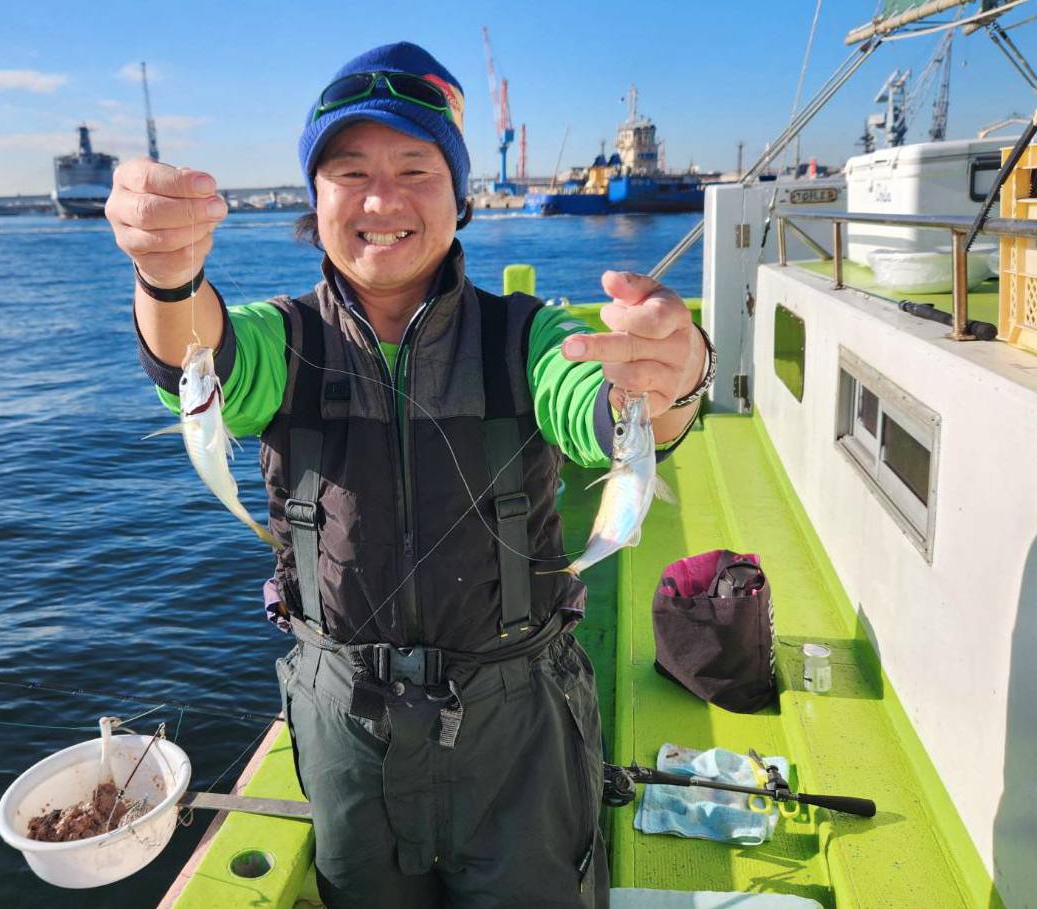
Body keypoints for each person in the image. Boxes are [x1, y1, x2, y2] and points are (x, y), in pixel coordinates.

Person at [107, 41, 710, 909]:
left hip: (521, 719)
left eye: (415, 169)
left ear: (459, 197)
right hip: (343, 717)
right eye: (348, 171)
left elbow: (605, 407)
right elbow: (199, 361)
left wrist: (670, 377)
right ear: (313, 202)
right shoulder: (285, 340)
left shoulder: (527, 337)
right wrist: (166, 277)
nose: (381, 199)